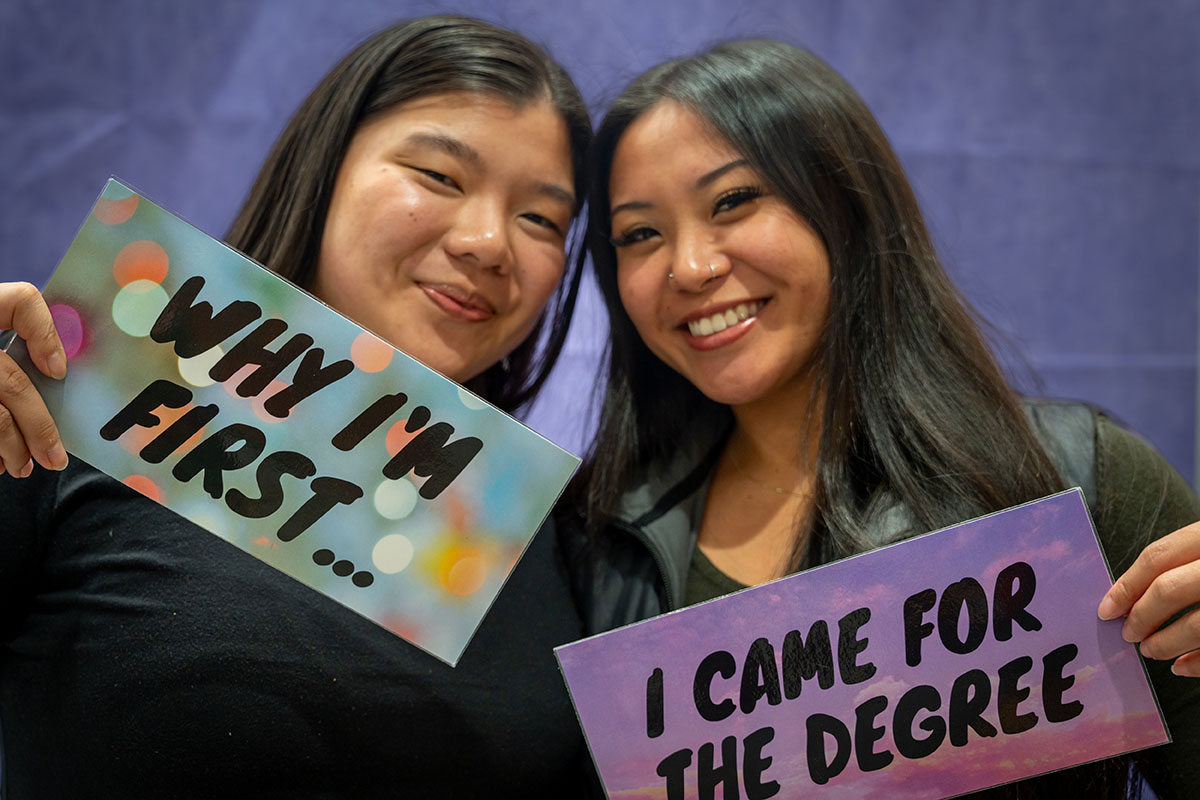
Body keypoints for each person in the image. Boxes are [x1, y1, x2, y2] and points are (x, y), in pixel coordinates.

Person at [566, 39, 1200, 798]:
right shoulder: (597, 539)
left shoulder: (1075, 481)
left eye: (733, 201)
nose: (690, 266)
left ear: (846, 207)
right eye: (641, 234)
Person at [0, 15, 598, 797]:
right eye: (440, 176)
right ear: (326, 169)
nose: (490, 241)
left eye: (541, 219)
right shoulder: (67, 405)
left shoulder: (554, 539)